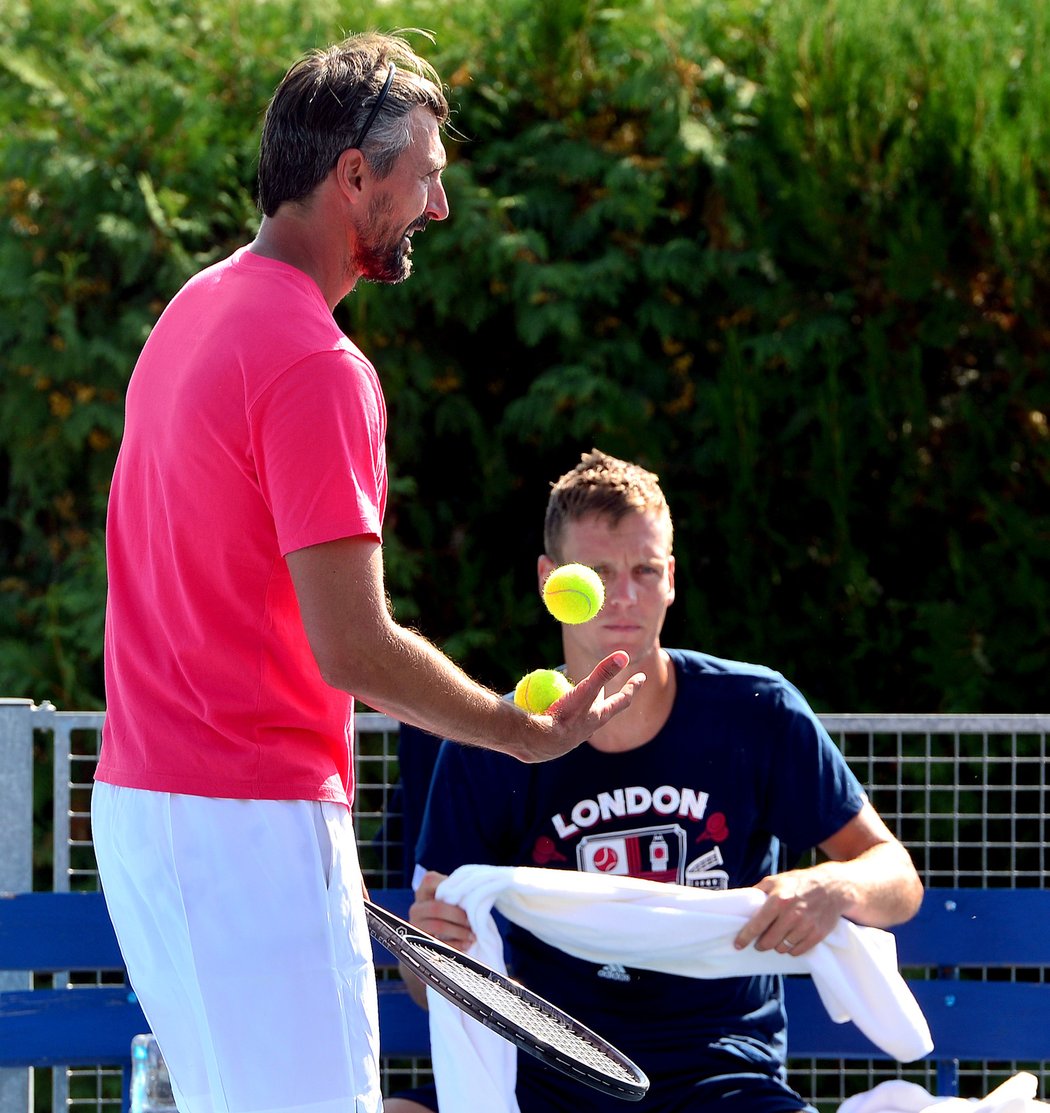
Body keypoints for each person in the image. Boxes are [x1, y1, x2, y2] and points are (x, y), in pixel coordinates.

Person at [90, 38, 644, 1113]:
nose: (437, 204)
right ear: (355, 175)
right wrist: (517, 728)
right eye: (426, 173)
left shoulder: (194, 308)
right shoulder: (316, 363)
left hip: (149, 808)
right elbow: (351, 649)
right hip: (244, 820)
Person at [387, 449, 924, 1113]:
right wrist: (431, 952)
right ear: (551, 580)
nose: (625, 595)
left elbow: (896, 877)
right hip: (544, 1070)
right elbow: (423, 973)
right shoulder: (491, 742)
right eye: (597, 573)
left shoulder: (757, 709)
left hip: (720, 1070)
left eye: (645, 570)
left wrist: (832, 885)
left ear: (671, 577)